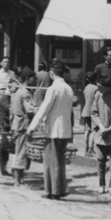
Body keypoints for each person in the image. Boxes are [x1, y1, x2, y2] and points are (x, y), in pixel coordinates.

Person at [27, 60, 74, 200]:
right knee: (60, 161)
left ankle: (54, 191)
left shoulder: (53, 89)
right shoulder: (69, 88)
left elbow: (43, 109)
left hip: (54, 130)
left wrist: (31, 127)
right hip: (65, 129)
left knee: (51, 161)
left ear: (52, 74)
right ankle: (60, 188)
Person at [91, 76, 111, 196]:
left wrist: (109, 129)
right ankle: (101, 184)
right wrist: (100, 127)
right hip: (101, 133)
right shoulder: (98, 95)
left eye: (101, 88)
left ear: (108, 87)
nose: (99, 89)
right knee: (100, 160)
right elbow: (93, 113)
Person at [10, 67, 36, 186]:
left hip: (17, 124)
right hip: (22, 126)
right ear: (27, 78)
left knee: (21, 151)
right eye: (33, 78)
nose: (34, 80)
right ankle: (17, 181)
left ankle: (20, 179)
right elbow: (29, 109)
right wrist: (41, 109)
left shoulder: (19, 91)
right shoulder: (24, 92)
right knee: (21, 152)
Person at [81, 72, 98, 157]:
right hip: (93, 111)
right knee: (93, 131)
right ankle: (91, 149)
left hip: (85, 110)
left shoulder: (86, 87)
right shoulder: (96, 88)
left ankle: (86, 149)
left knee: (87, 131)